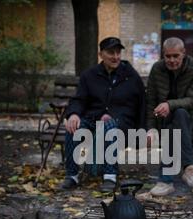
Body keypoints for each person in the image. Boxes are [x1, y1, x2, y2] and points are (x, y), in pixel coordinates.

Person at [61, 37, 146, 192]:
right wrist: (73, 114)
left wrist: (142, 130)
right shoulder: (90, 75)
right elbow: (79, 99)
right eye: (111, 53)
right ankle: (72, 175)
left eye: (118, 52)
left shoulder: (130, 76)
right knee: (72, 127)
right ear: (101, 54)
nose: (116, 57)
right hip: (92, 120)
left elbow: (141, 105)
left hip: (121, 124)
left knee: (109, 126)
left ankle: (110, 176)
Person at [146, 37, 193, 196]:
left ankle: (165, 181)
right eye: (168, 56)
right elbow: (150, 102)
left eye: (176, 56)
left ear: (184, 53)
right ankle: (189, 169)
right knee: (171, 128)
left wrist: (169, 104)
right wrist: (151, 129)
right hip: (166, 124)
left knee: (179, 114)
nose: (172, 60)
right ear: (163, 55)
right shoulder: (157, 69)